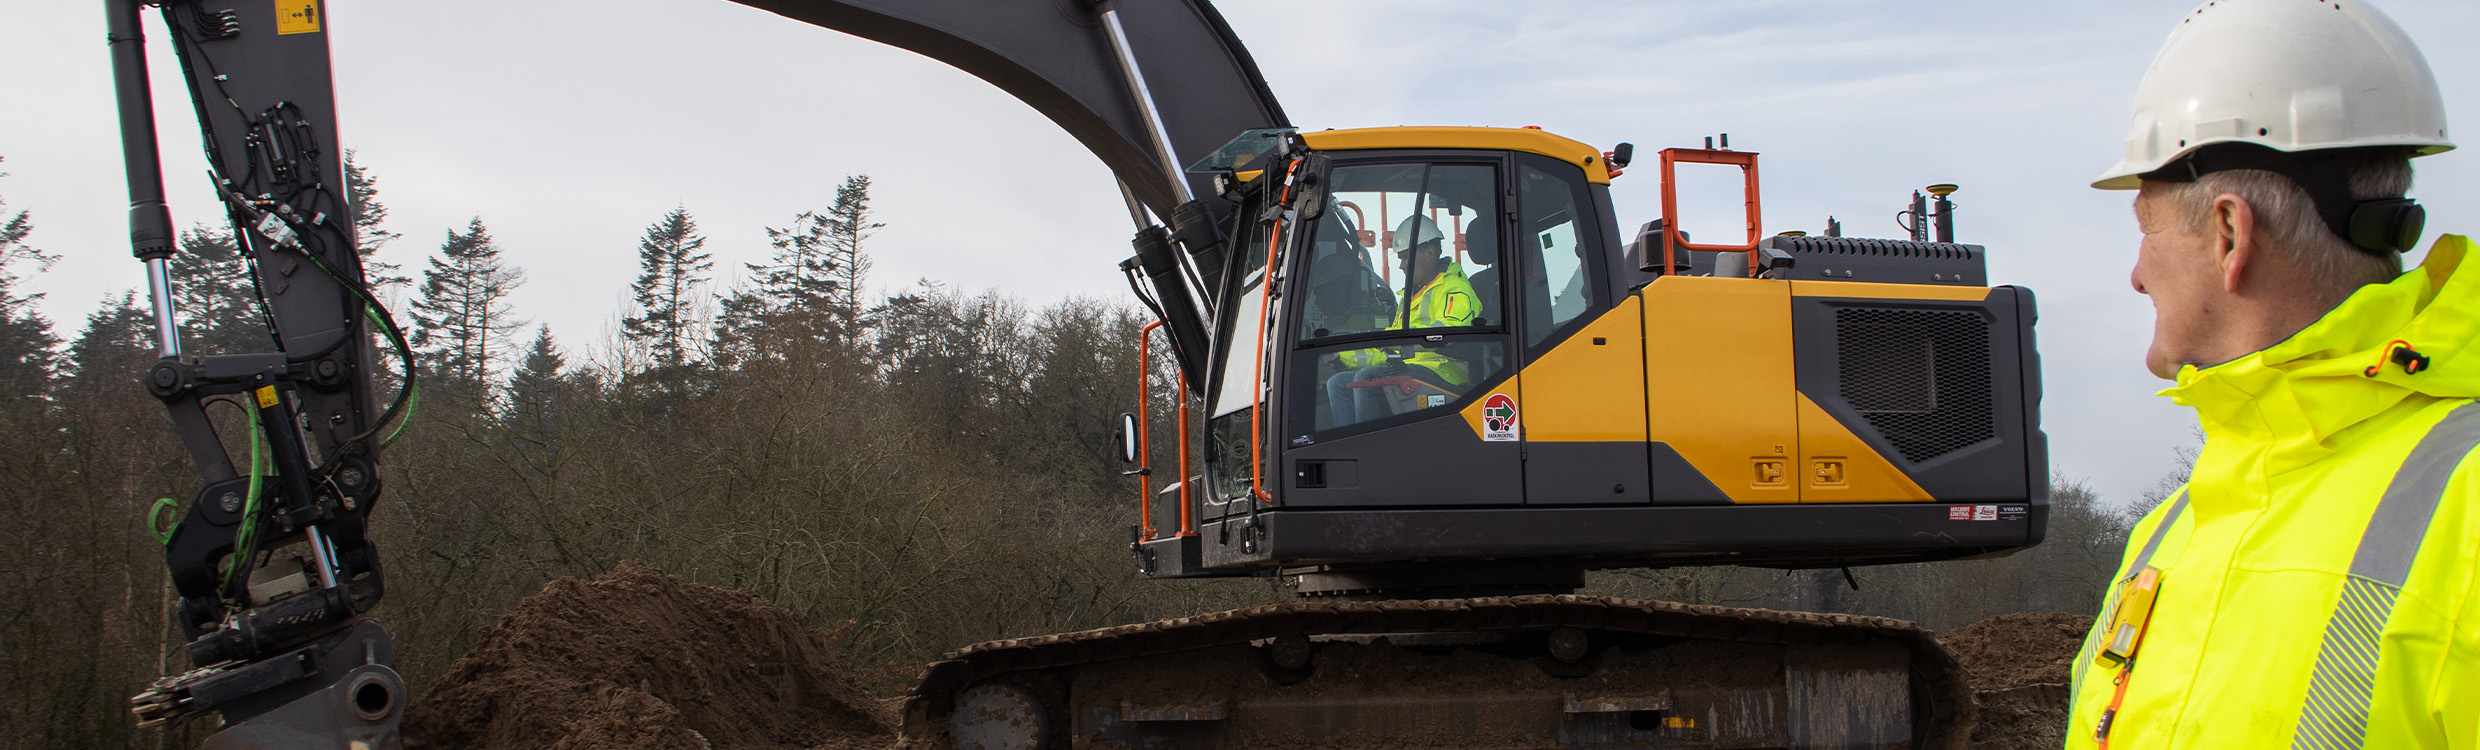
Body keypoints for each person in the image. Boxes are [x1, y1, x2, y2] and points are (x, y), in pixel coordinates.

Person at [2069, 1, 2476, 748]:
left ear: (2229, 233)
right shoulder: (2170, 530)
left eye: (2144, 229)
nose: (2135, 275)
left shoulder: (2469, 505)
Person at [1324, 215, 1479, 428]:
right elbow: (1387, 348)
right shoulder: (1409, 297)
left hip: (1443, 371)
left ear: (1430, 253)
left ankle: (1367, 449)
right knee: (1339, 383)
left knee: (1366, 379)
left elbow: (1448, 334)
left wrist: (1397, 341)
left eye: (1406, 258)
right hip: (1409, 367)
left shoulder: (1455, 290)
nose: (1401, 266)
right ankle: (1343, 450)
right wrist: (1342, 356)